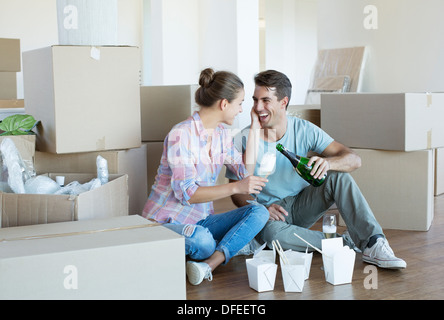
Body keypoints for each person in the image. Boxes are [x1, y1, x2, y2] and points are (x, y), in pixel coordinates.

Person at [227, 69, 406, 269]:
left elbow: (355, 159)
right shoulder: (245, 138)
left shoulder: (304, 129)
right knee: (272, 235)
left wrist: (329, 163)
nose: (258, 107)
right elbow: (235, 193)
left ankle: (373, 243)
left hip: (303, 204)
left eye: (265, 100)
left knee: (338, 177)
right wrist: (262, 209)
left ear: (283, 102)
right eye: (255, 100)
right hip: (271, 215)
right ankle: (344, 242)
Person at [142, 68, 270, 286]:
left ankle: (207, 265)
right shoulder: (181, 135)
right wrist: (235, 187)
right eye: (239, 103)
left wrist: (256, 129)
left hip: (200, 220)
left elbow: (244, 172)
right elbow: (188, 194)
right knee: (201, 240)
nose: (241, 110)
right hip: (165, 222)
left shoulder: (221, 135)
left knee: (259, 212)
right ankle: (209, 249)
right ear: (224, 104)